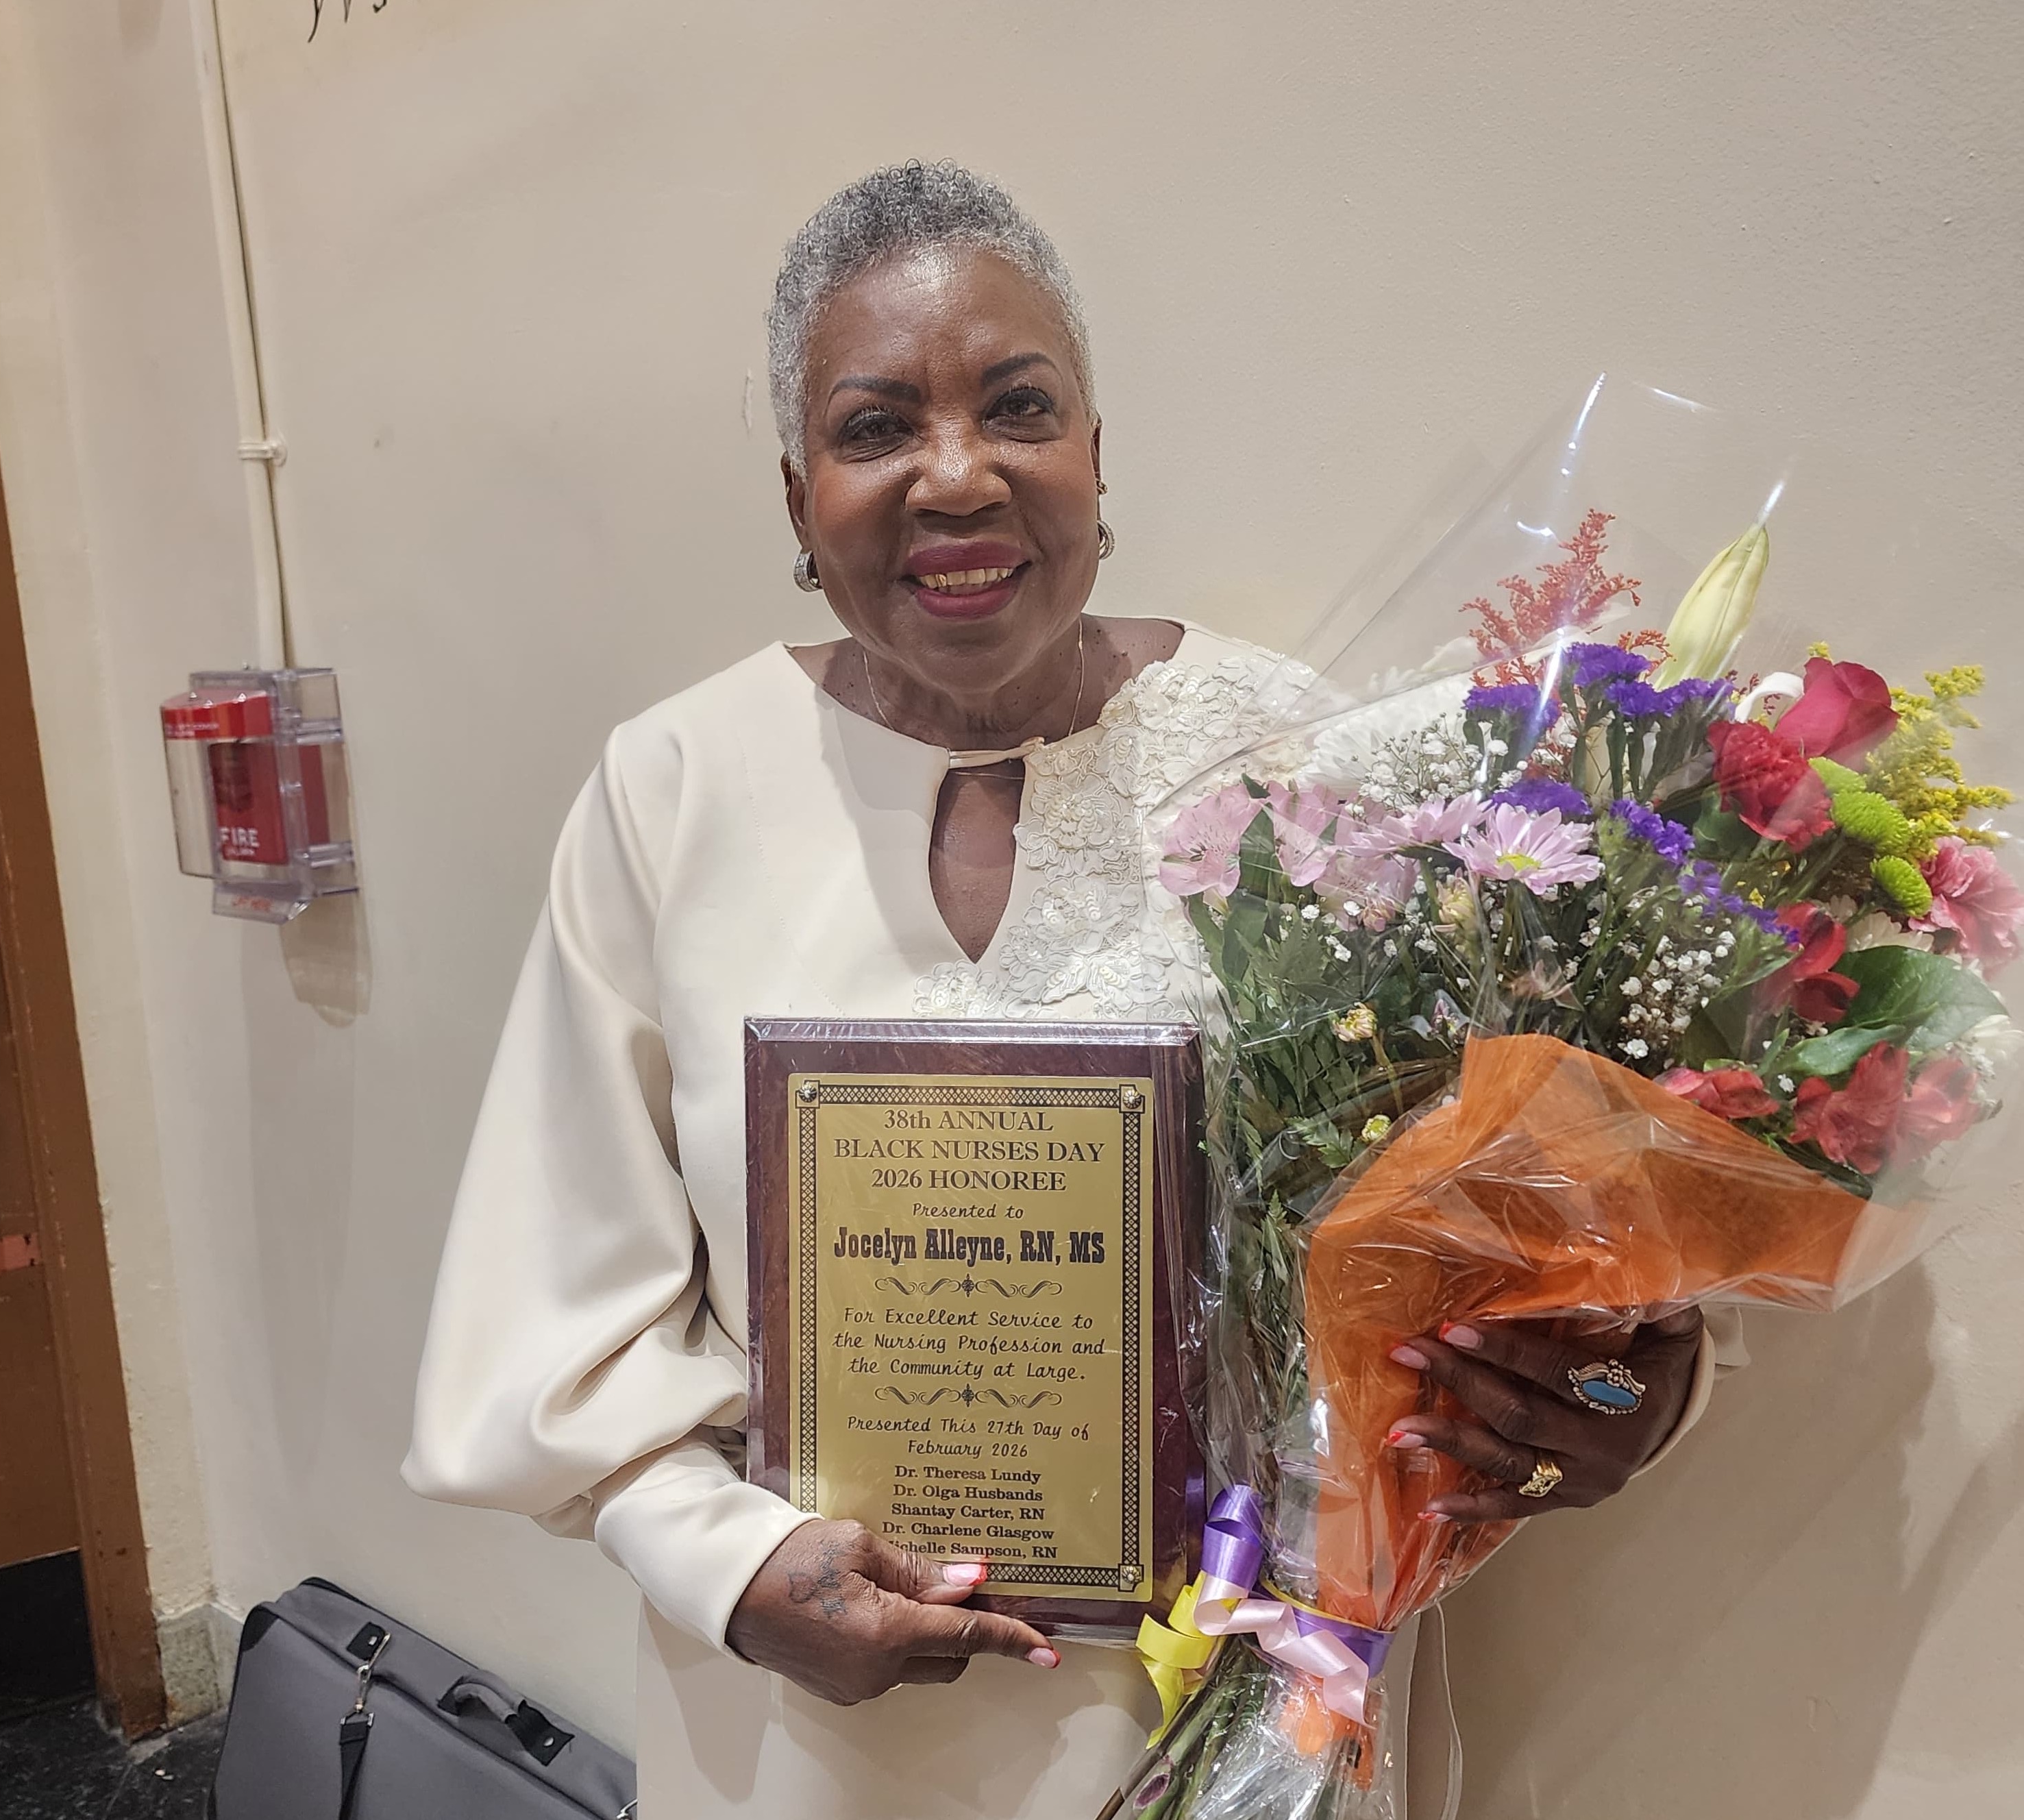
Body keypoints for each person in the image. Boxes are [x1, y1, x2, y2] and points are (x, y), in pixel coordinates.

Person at [406, 160, 1740, 1819]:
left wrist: (1608, 1388)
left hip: (1249, 1706)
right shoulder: (672, 788)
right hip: (813, 1739)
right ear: (798, 498)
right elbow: (560, 1298)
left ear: (1097, 454)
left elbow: (1508, 1226)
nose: (956, 473)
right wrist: (724, 1561)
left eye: (1017, 407)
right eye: (876, 426)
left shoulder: (1298, 757)